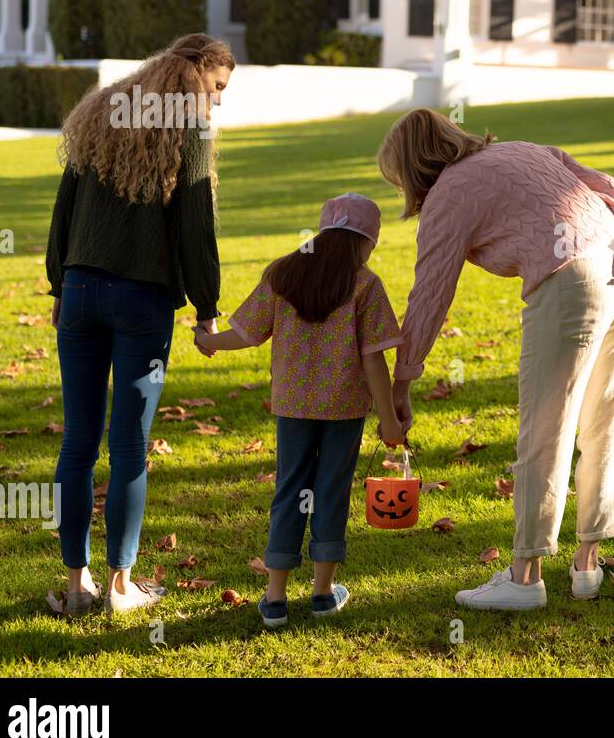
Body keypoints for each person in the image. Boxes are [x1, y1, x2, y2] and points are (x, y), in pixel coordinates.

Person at [377, 109, 614, 611]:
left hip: (574, 278)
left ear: (412, 168)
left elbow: (429, 293)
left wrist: (402, 381)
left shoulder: (448, 194)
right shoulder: (521, 149)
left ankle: (525, 577)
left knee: (545, 426)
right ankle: (588, 563)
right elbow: (602, 182)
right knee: (606, 421)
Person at [46, 33, 233, 615]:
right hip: (142, 299)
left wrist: (60, 282)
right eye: (219, 88)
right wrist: (206, 306)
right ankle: (121, 586)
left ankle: (77, 587)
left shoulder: (102, 108)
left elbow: (65, 207)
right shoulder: (191, 125)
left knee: (77, 443)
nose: (219, 102)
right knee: (127, 445)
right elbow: (196, 224)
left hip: (79, 291)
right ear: (200, 74)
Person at [194, 193, 404, 629]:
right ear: (366, 242)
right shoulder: (365, 284)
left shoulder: (283, 274)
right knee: (331, 491)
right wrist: (388, 420)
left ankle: (274, 599)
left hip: (293, 408)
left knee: (290, 490)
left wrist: (208, 341)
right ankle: (323, 593)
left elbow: (247, 333)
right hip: (344, 410)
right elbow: (373, 360)